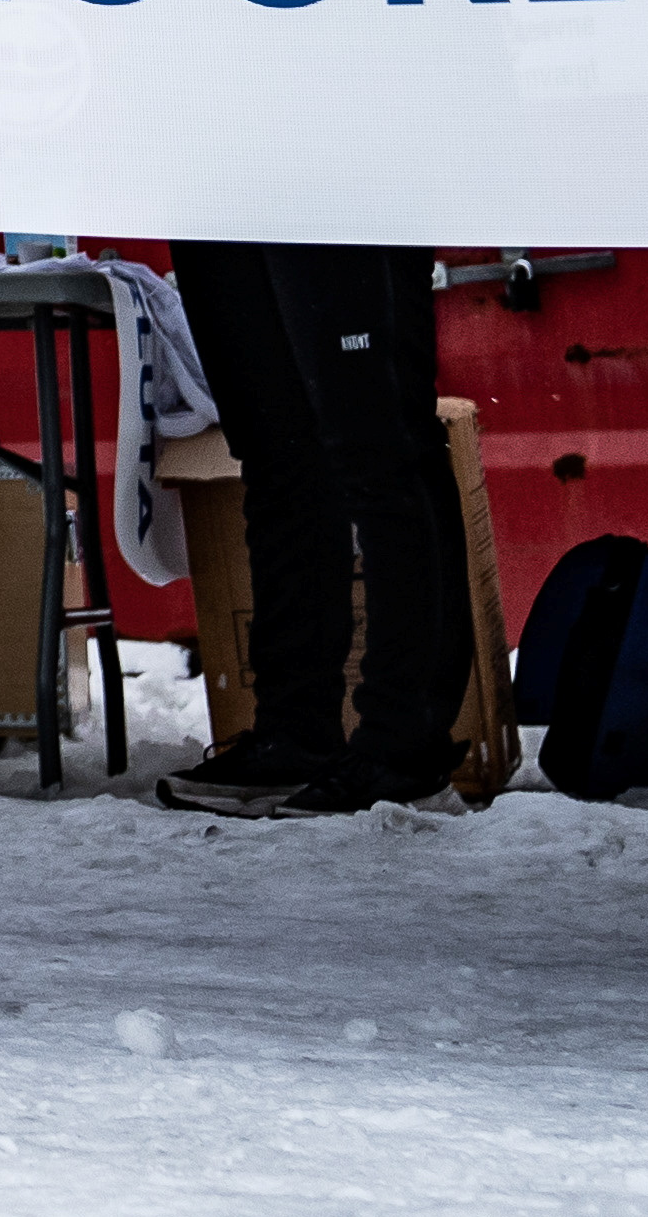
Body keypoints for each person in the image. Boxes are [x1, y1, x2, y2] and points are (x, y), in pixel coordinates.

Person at [149, 239, 475, 816]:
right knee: (278, 462)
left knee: (382, 450)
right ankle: (294, 736)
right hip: (215, 200)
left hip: (334, 198)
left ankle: (404, 751)